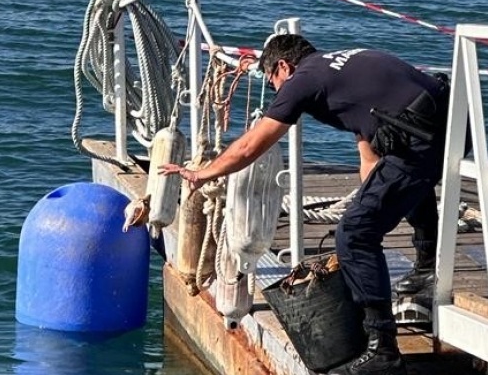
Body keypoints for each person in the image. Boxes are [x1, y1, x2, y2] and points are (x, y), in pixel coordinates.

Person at [160, 34, 450, 375]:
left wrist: (203, 174)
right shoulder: (346, 64)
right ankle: (427, 269)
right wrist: (371, 201)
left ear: (284, 66)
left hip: (420, 138)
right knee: (399, 188)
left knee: (354, 235)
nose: (278, 92)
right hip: (446, 122)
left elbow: (251, 146)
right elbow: (370, 155)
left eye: (273, 84)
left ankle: (382, 351)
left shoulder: (303, 80)